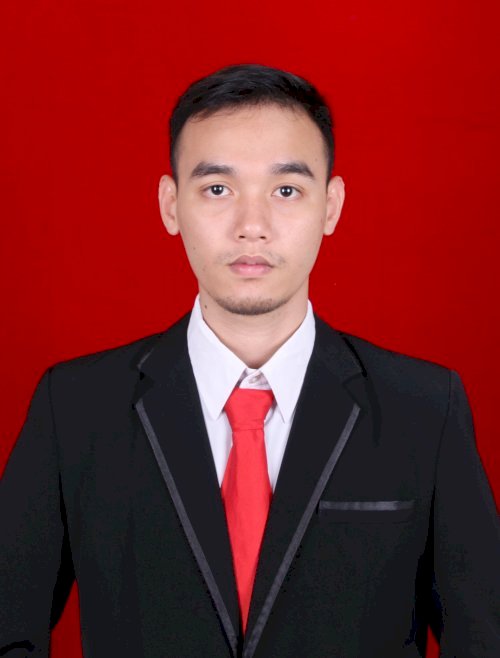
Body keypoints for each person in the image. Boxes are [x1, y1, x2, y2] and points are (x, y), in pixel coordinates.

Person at [0, 64, 499, 658]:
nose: (252, 227)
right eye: (218, 189)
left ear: (331, 205)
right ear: (170, 204)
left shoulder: (424, 410)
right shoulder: (75, 409)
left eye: (286, 190)